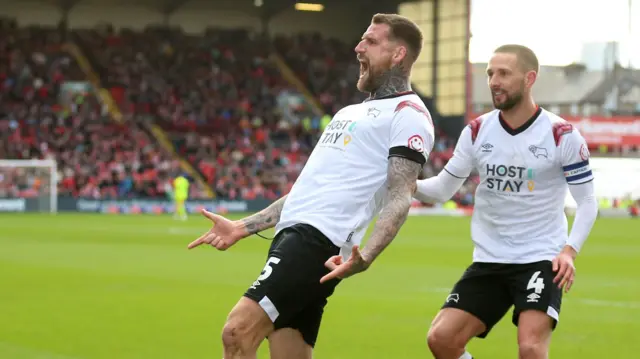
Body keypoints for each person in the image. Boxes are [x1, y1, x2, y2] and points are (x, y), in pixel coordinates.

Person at [186, 13, 435, 359]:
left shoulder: (409, 114)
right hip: (293, 237)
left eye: (371, 41)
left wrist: (368, 257)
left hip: (318, 243)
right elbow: (307, 190)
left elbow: (400, 194)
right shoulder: (349, 112)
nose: (358, 47)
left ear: (398, 55)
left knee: (236, 332)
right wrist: (243, 226)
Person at [413, 44, 599, 359]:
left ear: (529, 78)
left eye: (503, 73)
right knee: (441, 339)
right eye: (490, 73)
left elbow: (587, 202)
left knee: (529, 347)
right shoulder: (476, 131)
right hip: (490, 259)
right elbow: (442, 190)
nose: (494, 81)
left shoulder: (561, 135)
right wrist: (402, 182)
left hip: (541, 258)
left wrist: (569, 252)